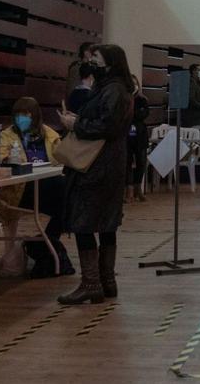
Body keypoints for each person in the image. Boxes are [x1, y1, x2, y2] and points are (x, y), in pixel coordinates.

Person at [57, 45, 134, 304]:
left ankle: (91, 283)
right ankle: (106, 280)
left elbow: (106, 126)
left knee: (85, 222)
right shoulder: (115, 88)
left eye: (96, 58)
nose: (91, 62)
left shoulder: (112, 89)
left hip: (97, 166)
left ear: (109, 63)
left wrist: (74, 124)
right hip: (110, 165)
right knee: (106, 223)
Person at [0, 97, 72, 279]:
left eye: (27, 115)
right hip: (20, 189)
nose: (23, 119)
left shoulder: (51, 135)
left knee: (69, 197)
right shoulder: (7, 135)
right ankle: (43, 246)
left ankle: (42, 243)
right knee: (64, 191)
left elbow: (62, 159)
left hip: (46, 184)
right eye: (19, 115)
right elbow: (3, 158)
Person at [126, 77, 151, 203]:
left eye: (135, 84)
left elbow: (143, 114)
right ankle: (129, 189)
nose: (134, 86)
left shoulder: (142, 99)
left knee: (141, 161)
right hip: (126, 134)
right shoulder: (124, 99)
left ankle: (138, 188)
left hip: (140, 134)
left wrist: (134, 113)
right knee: (127, 161)